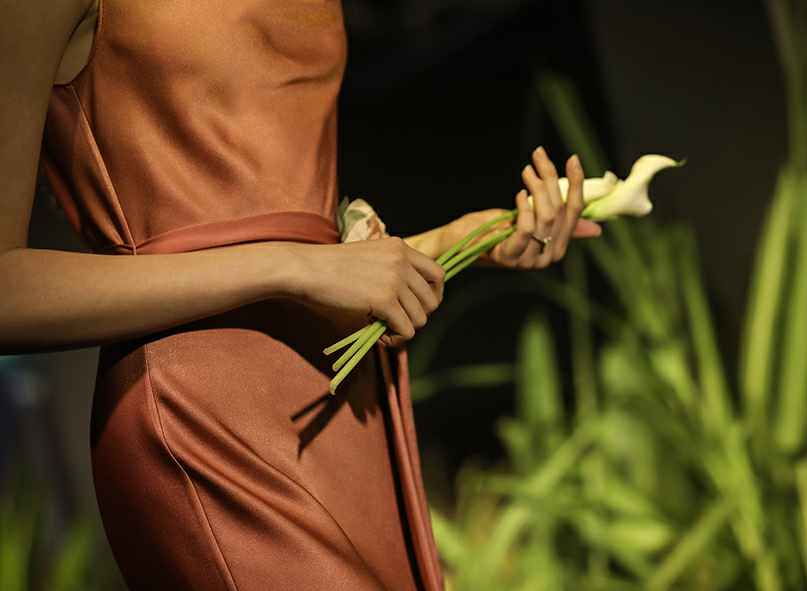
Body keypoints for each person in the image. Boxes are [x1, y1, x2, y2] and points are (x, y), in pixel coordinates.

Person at [0, 0, 602, 589]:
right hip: (206, 412)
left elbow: (295, 230)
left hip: (336, 390)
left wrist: (457, 242)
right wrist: (294, 266)